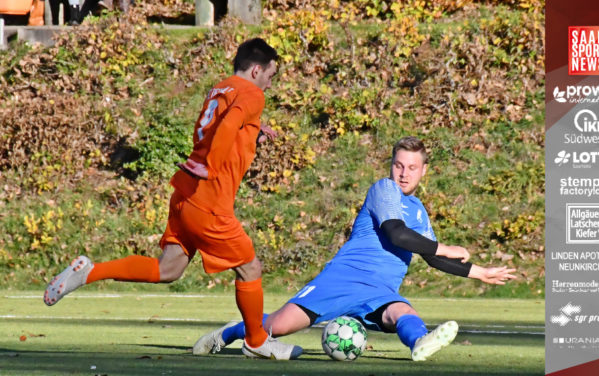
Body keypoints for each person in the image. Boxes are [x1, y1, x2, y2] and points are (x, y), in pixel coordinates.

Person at [43, 38, 301, 361]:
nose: (270, 83)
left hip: (184, 195)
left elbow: (222, 125)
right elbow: (228, 127)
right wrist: (212, 165)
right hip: (209, 201)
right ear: (257, 69)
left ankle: (90, 271)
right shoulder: (253, 93)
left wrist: (254, 129)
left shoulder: (221, 88)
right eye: (271, 75)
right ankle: (256, 340)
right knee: (250, 267)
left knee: (168, 269)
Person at [193, 136, 517, 361]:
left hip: (381, 289)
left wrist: (480, 272)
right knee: (275, 326)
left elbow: (432, 258)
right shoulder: (384, 189)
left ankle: (420, 342)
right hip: (343, 279)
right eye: (399, 165)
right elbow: (397, 234)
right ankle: (232, 331)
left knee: (401, 312)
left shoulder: (417, 207)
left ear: (424, 171)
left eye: (412, 168)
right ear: (391, 165)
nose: (403, 173)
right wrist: (446, 246)